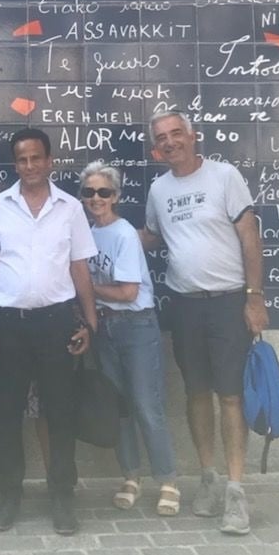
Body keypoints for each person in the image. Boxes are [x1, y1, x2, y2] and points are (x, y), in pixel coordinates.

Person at [141, 110, 269, 536]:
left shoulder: (224, 176)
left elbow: (250, 235)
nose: (171, 141)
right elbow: (154, 236)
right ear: (156, 148)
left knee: (230, 396)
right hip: (184, 305)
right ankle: (209, 479)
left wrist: (254, 297)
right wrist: (103, 229)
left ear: (193, 136)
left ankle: (236, 492)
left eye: (177, 133)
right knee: (197, 392)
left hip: (228, 302)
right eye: (162, 137)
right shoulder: (158, 189)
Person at [0, 128, 99, 535]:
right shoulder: (1, 207)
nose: (29, 166)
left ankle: (62, 495)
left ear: (50, 161)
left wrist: (90, 320)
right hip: (9, 324)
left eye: (36, 158)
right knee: (7, 414)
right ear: (16, 164)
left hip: (56, 322)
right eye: (22, 159)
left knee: (59, 412)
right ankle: (8, 494)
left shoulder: (70, 209)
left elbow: (80, 266)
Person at [80, 162, 180, 516]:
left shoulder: (123, 233)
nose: (96, 198)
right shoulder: (88, 233)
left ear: (117, 196)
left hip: (135, 326)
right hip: (106, 327)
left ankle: (167, 481)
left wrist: (86, 288)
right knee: (118, 406)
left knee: (145, 404)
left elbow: (126, 291)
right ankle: (131, 477)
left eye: (104, 192)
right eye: (89, 192)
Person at [0, 185, 50, 472]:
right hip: (1, 339)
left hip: (41, 334)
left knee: (45, 411)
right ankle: (8, 487)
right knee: (7, 414)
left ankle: (54, 480)